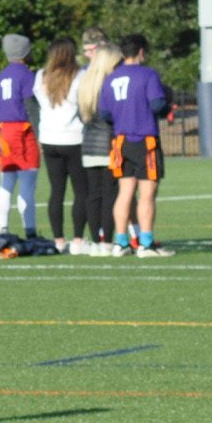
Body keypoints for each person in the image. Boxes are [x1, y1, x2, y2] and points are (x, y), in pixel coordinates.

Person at [97, 34, 175, 257]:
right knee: (147, 194)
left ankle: (121, 242)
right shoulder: (148, 74)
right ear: (141, 51)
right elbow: (157, 104)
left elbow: (104, 113)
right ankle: (146, 243)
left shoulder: (111, 78)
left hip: (120, 141)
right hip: (145, 139)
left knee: (125, 192)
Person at [33, 37, 85, 253]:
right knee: (81, 191)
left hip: (49, 139)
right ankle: (78, 240)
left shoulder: (40, 76)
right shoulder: (79, 76)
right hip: (73, 138)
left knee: (57, 191)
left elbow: (37, 100)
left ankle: (58, 239)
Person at [74, 28, 120, 255]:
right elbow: (111, 116)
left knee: (93, 195)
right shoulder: (109, 83)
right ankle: (108, 241)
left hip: (88, 145)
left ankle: (95, 240)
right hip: (107, 144)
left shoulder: (85, 82)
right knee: (110, 195)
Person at [0, 33, 40, 239]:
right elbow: (31, 105)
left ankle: (2, 228)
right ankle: (30, 229)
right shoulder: (27, 75)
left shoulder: (1, 76)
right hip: (23, 131)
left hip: (4, 131)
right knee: (28, 183)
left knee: (6, 182)